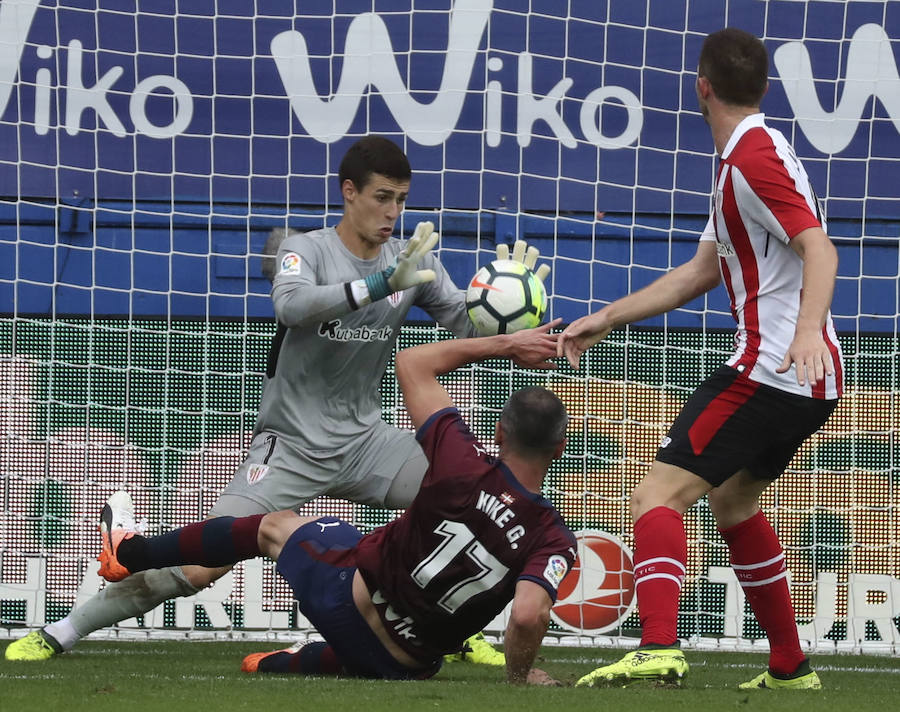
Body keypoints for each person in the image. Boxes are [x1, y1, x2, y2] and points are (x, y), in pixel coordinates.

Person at [6, 135, 546, 664]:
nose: (392, 212)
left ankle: (450, 634)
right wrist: (380, 284)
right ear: (349, 191)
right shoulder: (307, 250)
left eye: (401, 200)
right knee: (201, 569)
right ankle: (62, 630)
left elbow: (466, 322)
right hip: (290, 444)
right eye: (382, 197)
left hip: (368, 442)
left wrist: (506, 299)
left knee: (471, 502)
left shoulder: (413, 261)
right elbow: (292, 306)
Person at [560, 28, 842, 690]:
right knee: (735, 505)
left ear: (701, 87)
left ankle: (659, 645)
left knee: (655, 493)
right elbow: (699, 273)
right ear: (765, 88)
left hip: (773, 368)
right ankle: (789, 666)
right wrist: (605, 316)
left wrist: (803, 331)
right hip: (806, 380)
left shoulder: (752, 162)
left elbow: (820, 250)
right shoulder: (746, 157)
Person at [95, 322, 575, 683]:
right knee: (352, 543)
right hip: (406, 665)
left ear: (498, 432)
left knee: (276, 526)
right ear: (560, 447)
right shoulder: (554, 538)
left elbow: (411, 362)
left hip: (346, 608)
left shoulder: (460, 457)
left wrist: (506, 344)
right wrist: (519, 677)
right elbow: (530, 614)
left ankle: (130, 552)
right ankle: (286, 663)